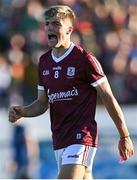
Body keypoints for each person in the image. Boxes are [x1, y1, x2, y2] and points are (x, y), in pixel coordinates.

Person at [9, 5, 134, 179]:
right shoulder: (44, 62)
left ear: (69, 29)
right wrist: (22, 111)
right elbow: (41, 103)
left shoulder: (85, 60)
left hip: (81, 138)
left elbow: (108, 97)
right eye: (47, 24)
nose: (50, 28)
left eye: (56, 24)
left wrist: (124, 136)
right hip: (60, 139)